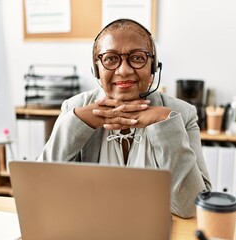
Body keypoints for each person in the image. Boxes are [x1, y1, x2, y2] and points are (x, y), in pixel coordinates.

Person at [38, 18, 211, 218]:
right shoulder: (74, 109)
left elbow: (193, 206)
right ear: (96, 68)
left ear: (153, 66)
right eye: (111, 59)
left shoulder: (181, 113)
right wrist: (76, 123)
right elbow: (41, 191)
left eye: (137, 58)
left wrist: (166, 125)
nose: (124, 70)